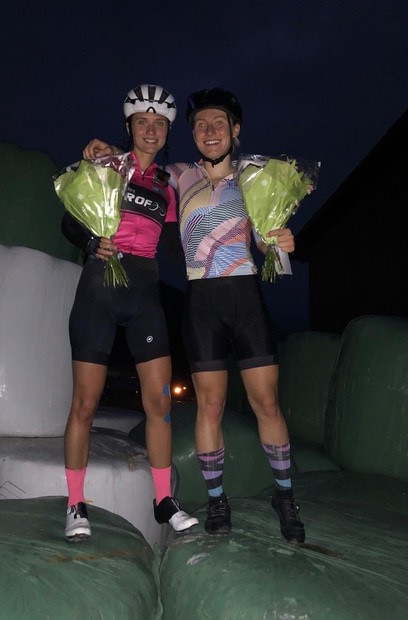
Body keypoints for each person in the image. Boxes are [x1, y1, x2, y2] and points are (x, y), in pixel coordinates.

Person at [83, 87, 305, 544]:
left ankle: (285, 495)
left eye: (219, 123)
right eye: (200, 125)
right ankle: (217, 499)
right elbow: (135, 167)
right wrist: (103, 150)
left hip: (246, 298)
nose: (209, 131)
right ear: (192, 134)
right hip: (201, 304)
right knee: (210, 406)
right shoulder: (178, 175)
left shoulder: (254, 176)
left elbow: (264, 242)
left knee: (266, 403)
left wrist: (279, 242)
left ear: (235, 130)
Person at [62, 83, 198, 542]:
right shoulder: (108, 165)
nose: (151, 130)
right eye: (143, 122)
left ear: (167, 132)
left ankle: (164, 501)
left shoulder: (168, 186)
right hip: (99, 288)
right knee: (85, 404)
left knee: (159, 404)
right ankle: (75, 504)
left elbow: (181, 243)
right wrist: (89, 242)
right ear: (129, 126)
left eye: (160, 124)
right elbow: (69, 219)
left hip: (144, 296)